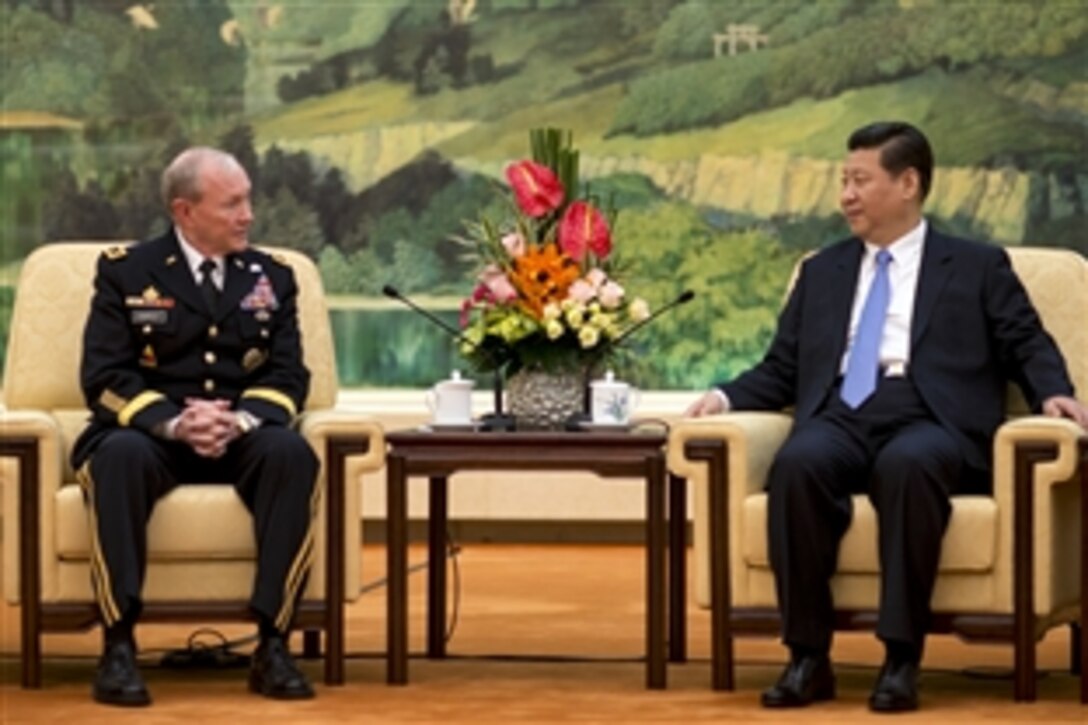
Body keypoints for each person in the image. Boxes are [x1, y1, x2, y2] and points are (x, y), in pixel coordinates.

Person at [685, 121, 1088, 713]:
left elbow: (1025, 341)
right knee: (797, 465)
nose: (845, 194)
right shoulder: (822, 271)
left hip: (932, 418)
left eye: (859, 180)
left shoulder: (976, 266)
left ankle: (901, 658)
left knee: (909, 465)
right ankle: (807, 657)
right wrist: (722, 398)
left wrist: (1054, 393)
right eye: (843, 180)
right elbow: (782, 368)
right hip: (842, 413)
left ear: (907, 183)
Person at [72, 147, 319, 706]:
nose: (247, 215)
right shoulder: (127, 271)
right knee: (117, 457)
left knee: (291, 454)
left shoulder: (272, 277)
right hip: (153, 437)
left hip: (239, 434)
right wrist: (175, 423)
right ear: (184, 212)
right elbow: (104, 377)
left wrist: (241, 420)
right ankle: (117, 646)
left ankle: (273, 644)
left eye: (248, 200)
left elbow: (289, 375)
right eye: (232, 203)